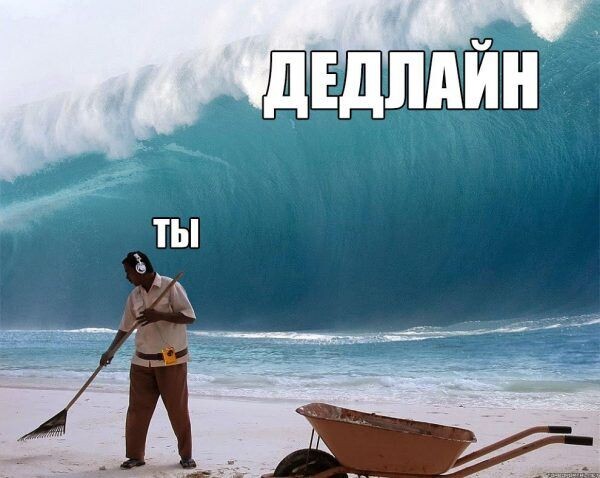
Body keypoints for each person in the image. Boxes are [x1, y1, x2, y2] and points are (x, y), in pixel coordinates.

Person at [100, 251, 197, 470]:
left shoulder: (171, 287)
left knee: (177, 410)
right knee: (137, 411)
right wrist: (110, 351)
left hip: (171, 361)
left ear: (140, 269)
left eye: (128, 272)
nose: (127, 277)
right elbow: (125, 328)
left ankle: (186, 456)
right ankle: (135, 456)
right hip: (141, 361)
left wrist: (160, 315)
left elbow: (189, 316)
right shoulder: (134, 296)